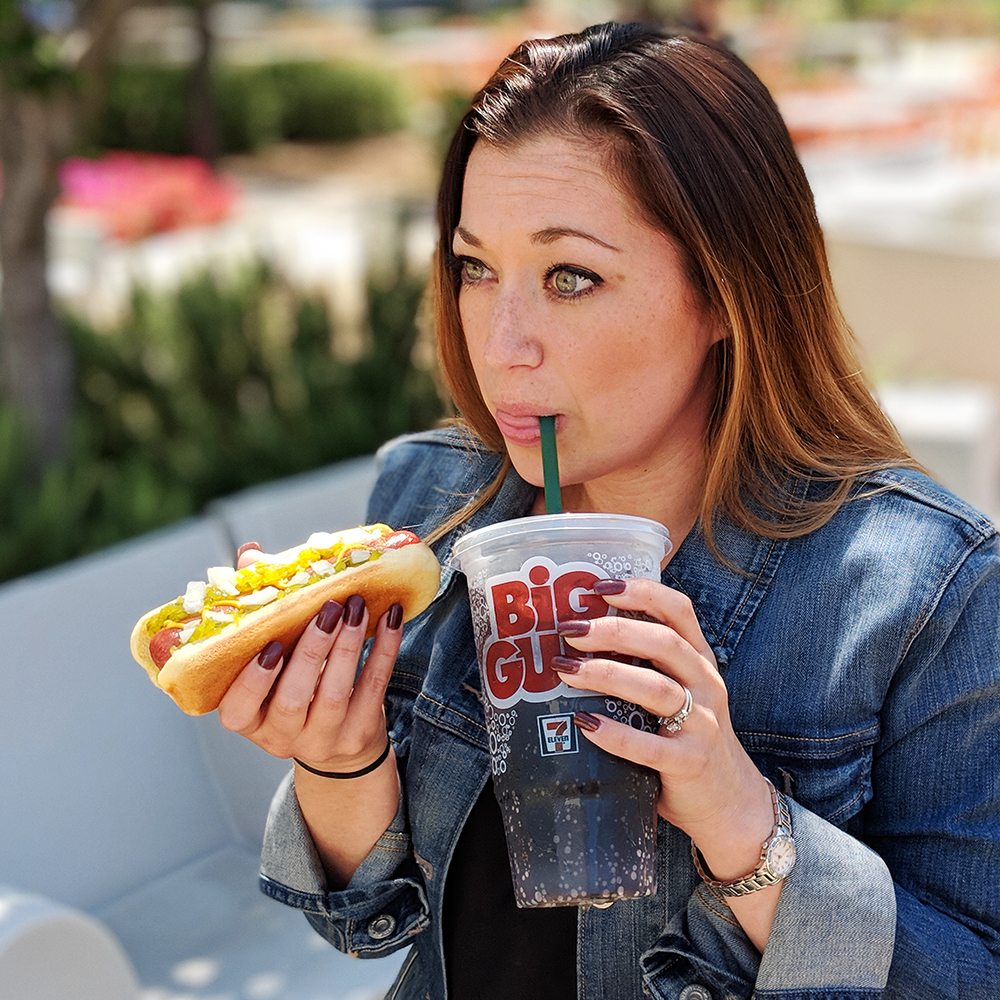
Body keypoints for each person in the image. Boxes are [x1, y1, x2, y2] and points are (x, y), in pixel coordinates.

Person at [216, 22, 1000, 1000]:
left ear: (726, 294)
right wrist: (339, 759)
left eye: (570, 278)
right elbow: (365, 923)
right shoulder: (429, 502)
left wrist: (743, 822)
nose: (503, 343)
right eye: (475, 267)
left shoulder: (926, 594)